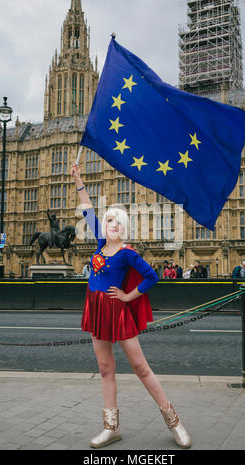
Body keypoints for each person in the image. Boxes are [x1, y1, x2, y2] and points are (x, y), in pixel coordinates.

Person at [71, 163, 191, 449]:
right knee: (104, 369)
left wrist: (127, 297)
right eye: (109, 220)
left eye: (116, 222)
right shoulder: (100, 243)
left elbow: (152, 277)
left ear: (123, 228)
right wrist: (78, 179)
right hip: (96, 309)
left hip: (116, 311)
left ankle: (175, 424)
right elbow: (87, 208)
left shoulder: (127, 253)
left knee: (141, 369)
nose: (111, 224)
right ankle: (111, 428)